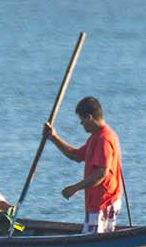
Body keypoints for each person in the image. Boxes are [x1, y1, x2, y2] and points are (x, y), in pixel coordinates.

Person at [43, 96, 123, 234]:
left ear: (89, 118)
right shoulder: (95, 137)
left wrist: (75, 188)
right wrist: (54, 138)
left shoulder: (104, 139)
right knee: (100, 243)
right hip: (98, 202)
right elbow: (75, 155)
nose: (81, 124)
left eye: (82, 120)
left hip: (103, 202)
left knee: (92, 242)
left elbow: (101, 173)